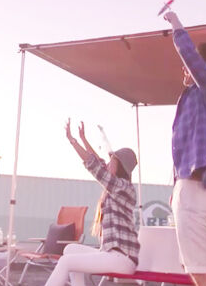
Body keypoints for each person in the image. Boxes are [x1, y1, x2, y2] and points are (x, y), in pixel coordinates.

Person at [163, 11, 206, 286]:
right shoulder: (192, 98)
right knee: (195, 268)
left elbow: (193, 61)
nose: (184, 68)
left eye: (190, 65)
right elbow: (185, 150)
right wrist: (176, 190)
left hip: (198, 191)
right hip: (189, 190)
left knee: (201, 271)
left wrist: (177, 27)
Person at [44, 119, 139, 286]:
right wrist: (80, 140)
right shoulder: (115, 187)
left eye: (111, 162)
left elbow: (96, 167)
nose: (107, 164)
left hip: (122, 259)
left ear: (120, 166)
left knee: (66, 262)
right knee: (70, 250)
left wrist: (75, 141)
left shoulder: (124, 187)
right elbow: (98, 161)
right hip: (111, 255)